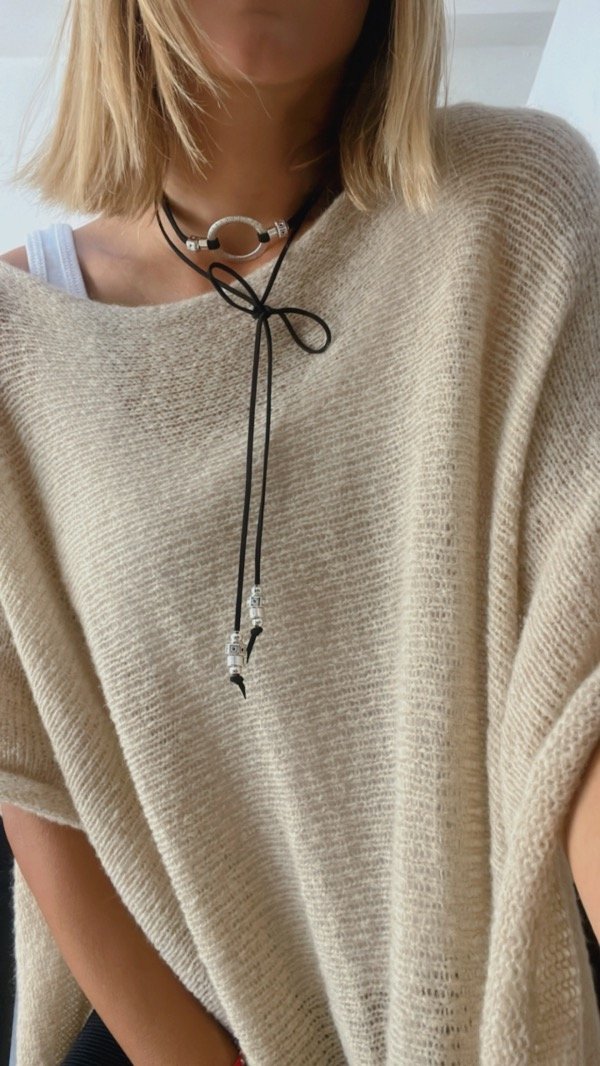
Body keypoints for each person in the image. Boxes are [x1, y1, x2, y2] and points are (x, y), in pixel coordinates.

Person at [0, 1, 599, 1063]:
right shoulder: (19, 344)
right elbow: (39, 774)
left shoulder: (513, 206)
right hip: (193, 1016)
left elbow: (581, 649)